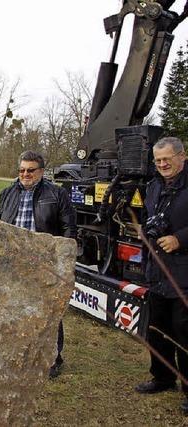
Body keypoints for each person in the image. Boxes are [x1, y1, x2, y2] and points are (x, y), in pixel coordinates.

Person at [0, 150, 76, 379]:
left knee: (49, 314)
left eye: (30, 170)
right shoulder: (7, 193)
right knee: (14, 310)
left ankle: (52, 359)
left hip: (45, 263)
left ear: (41, 171)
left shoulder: (57, 194)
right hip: (14, 263)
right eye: (21, 170)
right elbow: (1, 224)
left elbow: (69, 229)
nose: (25, 174)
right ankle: (17, 354)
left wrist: (64, 263)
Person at [135, 137, 188, 413]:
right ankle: (163, 377)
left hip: (184, 274)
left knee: (184, 331)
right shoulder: (153, 186)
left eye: (167, 158)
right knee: (156, 329)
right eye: (157, 160)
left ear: (182, 155)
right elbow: (148, 218)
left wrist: (180, 239)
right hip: (158, 271)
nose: (163, 164)